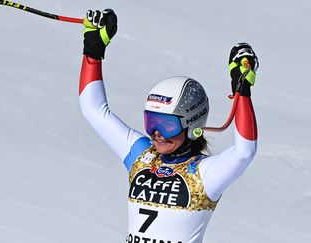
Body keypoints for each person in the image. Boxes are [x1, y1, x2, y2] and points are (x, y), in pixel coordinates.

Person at [79, 9, 258, 243]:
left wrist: (242, 92)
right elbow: (93, 109)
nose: (156, 133)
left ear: (192, 124)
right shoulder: (141, 156)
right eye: (151, 122)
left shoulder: (206, 174)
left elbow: (245, 152)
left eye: (166, 125)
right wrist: (93, 49)